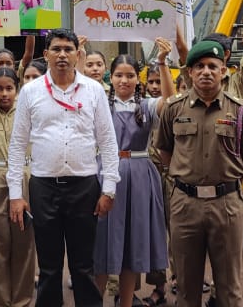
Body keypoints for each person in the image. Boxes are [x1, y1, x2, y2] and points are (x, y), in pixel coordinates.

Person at [8, 28, 120, 307]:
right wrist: (15, 194)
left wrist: (109, 189)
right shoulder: (31, 92)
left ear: (77, 54)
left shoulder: (94, 90)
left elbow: (107, 141)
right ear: (45, 55)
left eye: (68, 50)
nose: (62, 55)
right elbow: (17, 144)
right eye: (56, 49)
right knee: (49, 267)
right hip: (44, 187)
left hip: (84, 187)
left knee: (84, 267)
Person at [154, 39, 243, 307]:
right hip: (185, 204)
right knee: (187, 287)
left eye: (213, 66)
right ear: (189, 72)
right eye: (199, 66)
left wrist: (225, 182)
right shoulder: (174, 108)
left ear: (223, 70)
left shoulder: (239, 109)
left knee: (228, 287)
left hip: (226, 204)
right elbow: (165, 151)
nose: (206, 71)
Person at [94, 41, 175, 307]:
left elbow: (171, 102)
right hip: (107, 173)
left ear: (137, 78)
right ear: (111, 77)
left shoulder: (148, 106)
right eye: (119, 75)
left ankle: (126, 302)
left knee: (132, 244)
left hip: (140, 175)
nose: (124, 80)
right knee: (102, 243)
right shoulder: (101, 103)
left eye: (130, 75)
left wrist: (162, 63)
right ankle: (95, 300)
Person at [0, 67, 37, 307]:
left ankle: (22, 301)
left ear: (18, 89)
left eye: (9, 88)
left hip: (24, 176)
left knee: (24, 243)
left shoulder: (28, 112)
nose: (4, 94)